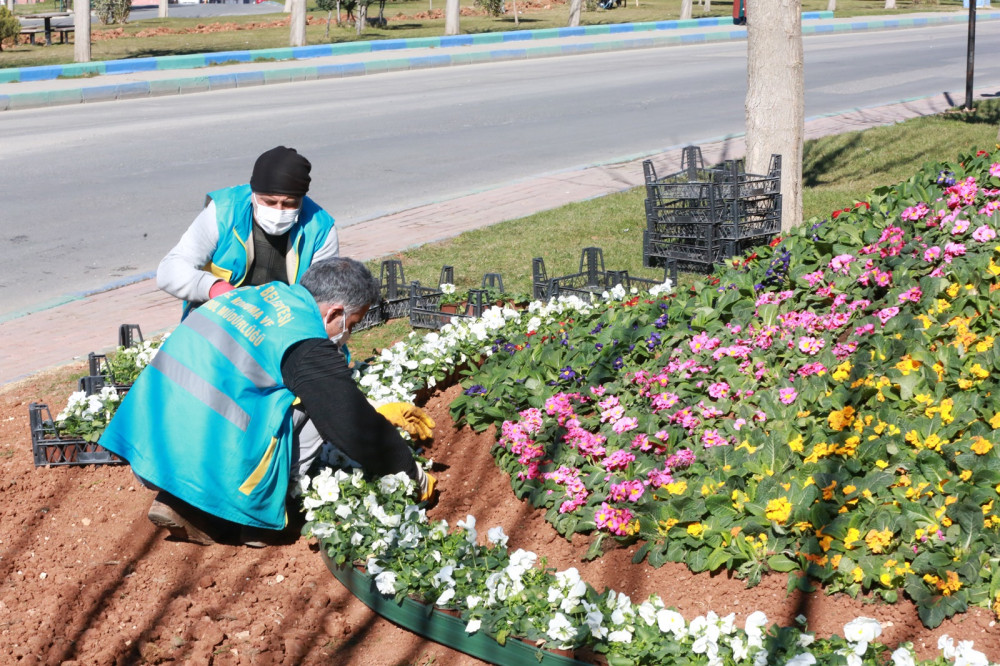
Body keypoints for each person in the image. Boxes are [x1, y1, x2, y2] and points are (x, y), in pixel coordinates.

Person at [99, 257, 436, 547]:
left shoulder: (254, 295)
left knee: (297, 395)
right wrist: (409, 473)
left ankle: (179, 500)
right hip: (201, 458)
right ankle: (247, 516)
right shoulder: (304, 337)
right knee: (315, 409)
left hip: (150, 441)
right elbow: (349, 423)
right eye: (353, 323)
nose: (348, 333)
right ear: (335, 311)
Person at [157, 146, 340, 319]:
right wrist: (214, 287)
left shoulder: (320, 228)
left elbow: (323, 299)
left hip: (285, 323)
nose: (279, 210)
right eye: (269, 202)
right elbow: (170, 270)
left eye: (289, 203)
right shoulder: (224, 212)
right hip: (220, 317)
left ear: (302, 199)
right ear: (253, 193)